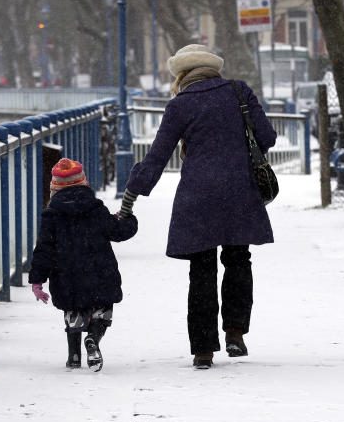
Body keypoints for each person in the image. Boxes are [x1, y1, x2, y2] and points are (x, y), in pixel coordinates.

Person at [118, 44, 276, 369]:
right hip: (238, 191)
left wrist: (131, 195)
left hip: (198, 195)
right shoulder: (238, 91)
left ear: (182, 75)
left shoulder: (180, 105)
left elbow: (157, 156)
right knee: (237, 259)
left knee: (201, 269)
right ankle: (235, 332)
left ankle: (203, 350)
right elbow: (268, 137)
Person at [30, 158, 138, 371]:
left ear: (54, 188)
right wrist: (129, 219)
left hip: (66, 275)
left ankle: (74, 357)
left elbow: (44, 249)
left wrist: (37, 280)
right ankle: (93, 339)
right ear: (83, 183)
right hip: (99, 271)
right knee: (102, 310)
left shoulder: (51, 215)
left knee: (73, 311)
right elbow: (116, 231)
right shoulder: (95, 208)